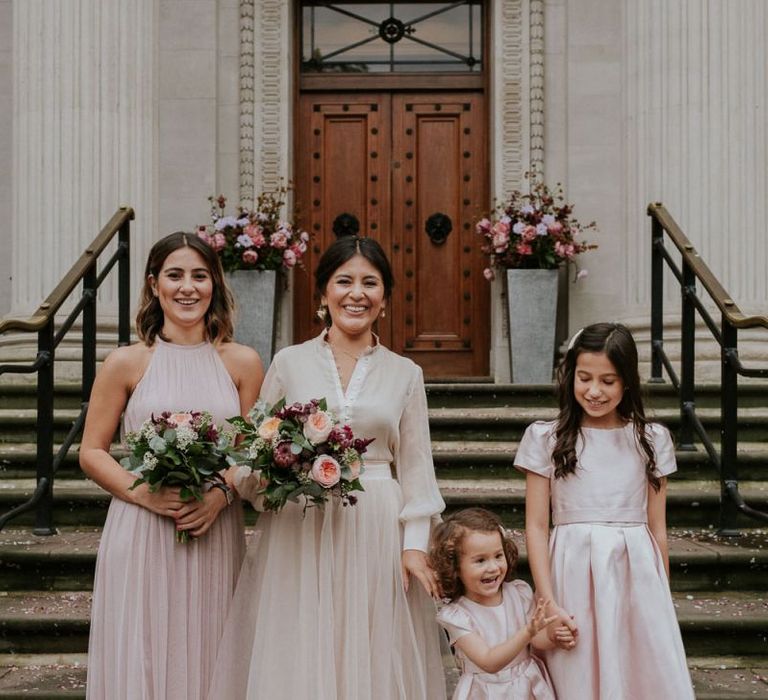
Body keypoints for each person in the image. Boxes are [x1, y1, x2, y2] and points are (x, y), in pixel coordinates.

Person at [208, 235, 447, 699]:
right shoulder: (289, 362)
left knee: (372, 647)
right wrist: (255, 478)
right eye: (344, 281)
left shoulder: (406, 373)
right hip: (301, 523)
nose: (356, 293)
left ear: (385, 298)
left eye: (370, 283)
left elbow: (418, 470)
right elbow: (257, 444)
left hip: (376, 522)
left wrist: (414, 546)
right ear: (322, 293)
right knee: (303, 643)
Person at [80, 232, 263, 700]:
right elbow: (93, 451)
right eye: (175, 275)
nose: (188, 287)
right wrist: (141, 491)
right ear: (154, 285)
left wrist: (221, 495)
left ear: (214, 285)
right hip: (142, 527)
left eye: (199, 276)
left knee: (214, 648)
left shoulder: (242, 362)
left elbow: (249, 453)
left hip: (213, 530)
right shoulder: (126, 362)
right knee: (145, 651)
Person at [516, 322, 694, 699]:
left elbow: (657, 528)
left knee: (638, 673)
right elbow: (535, 526)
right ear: (570, 377)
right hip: (571, 571)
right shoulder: (545, 438)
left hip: (635, 573)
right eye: (584, 378)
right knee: (576, 669)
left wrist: (659, 597)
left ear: (627, 381)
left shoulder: (651, 440)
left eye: (608, 381)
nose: (594, 391)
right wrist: (547, 602)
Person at [430, 507, 569, 699]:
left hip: (526, 686)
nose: (493, 567)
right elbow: (489, 662)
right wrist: (527, 631)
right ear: (455, 567)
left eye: (498, 555)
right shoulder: (458, 616)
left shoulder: (518, 593)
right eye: (480, 560)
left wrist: (552, 637)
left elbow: (536, 640)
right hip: (485, 692)